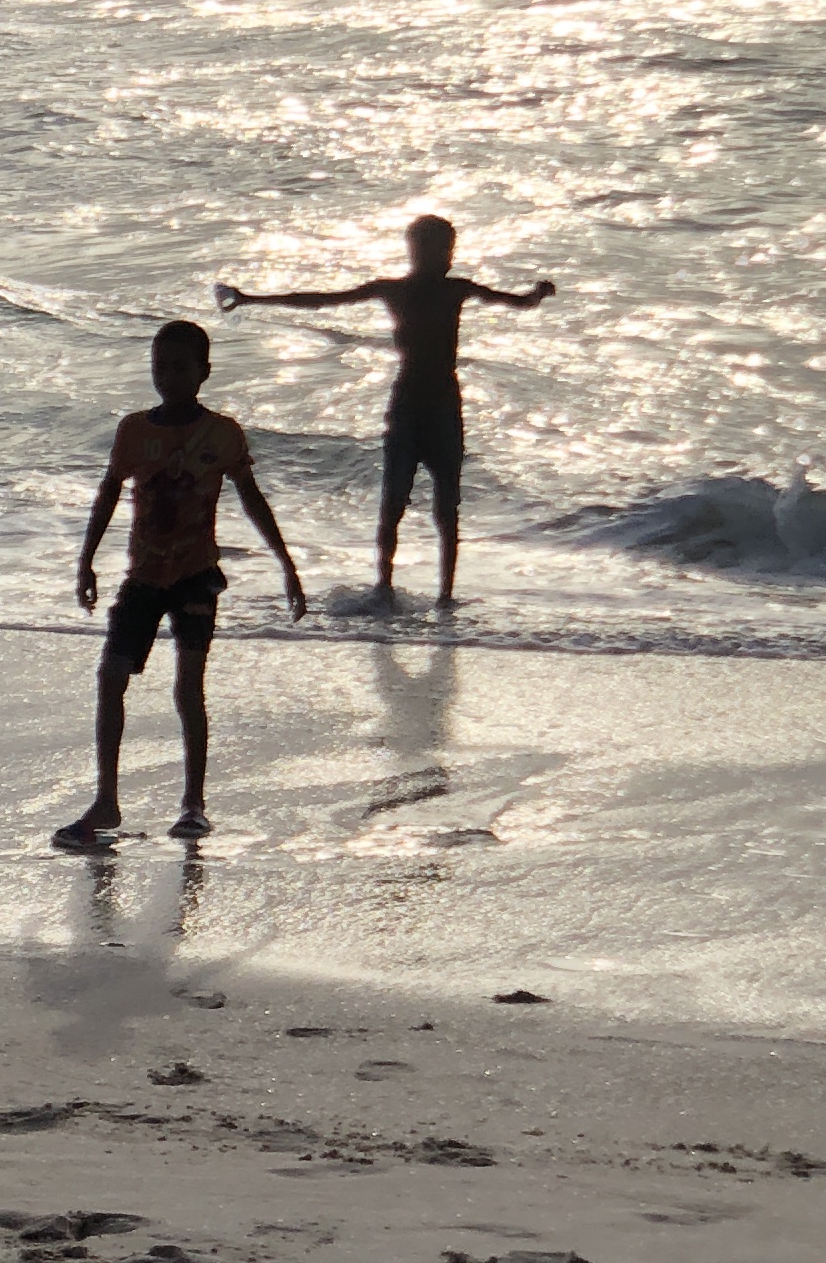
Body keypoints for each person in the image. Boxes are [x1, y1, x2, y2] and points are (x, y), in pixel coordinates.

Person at [53, 317, 305, 850]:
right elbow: (108, 492)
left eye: (179, 367)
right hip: (143, 578)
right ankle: (106, 800)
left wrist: (286, 563)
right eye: (160, 366)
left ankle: (193, 804)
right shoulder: (134, 431)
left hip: (195, 577)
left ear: (203, 372)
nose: (168, 377)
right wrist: (86, 561)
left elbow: (251, 498)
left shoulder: (223, 434)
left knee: (189, 687)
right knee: (111, 677)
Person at [219, 214, 552, 605]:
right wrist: (250, 299)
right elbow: (322, 301)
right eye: (438, 249)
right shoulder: (397, 290)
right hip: (410, 405)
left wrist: (537, 294)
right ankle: (385, 587)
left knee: (447, 506)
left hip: (443, 406)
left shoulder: (455, 289)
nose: (446, 257)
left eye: (449, 248)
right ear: (415, 251)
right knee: (394, 502)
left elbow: (518, 303)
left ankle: (445, 595)